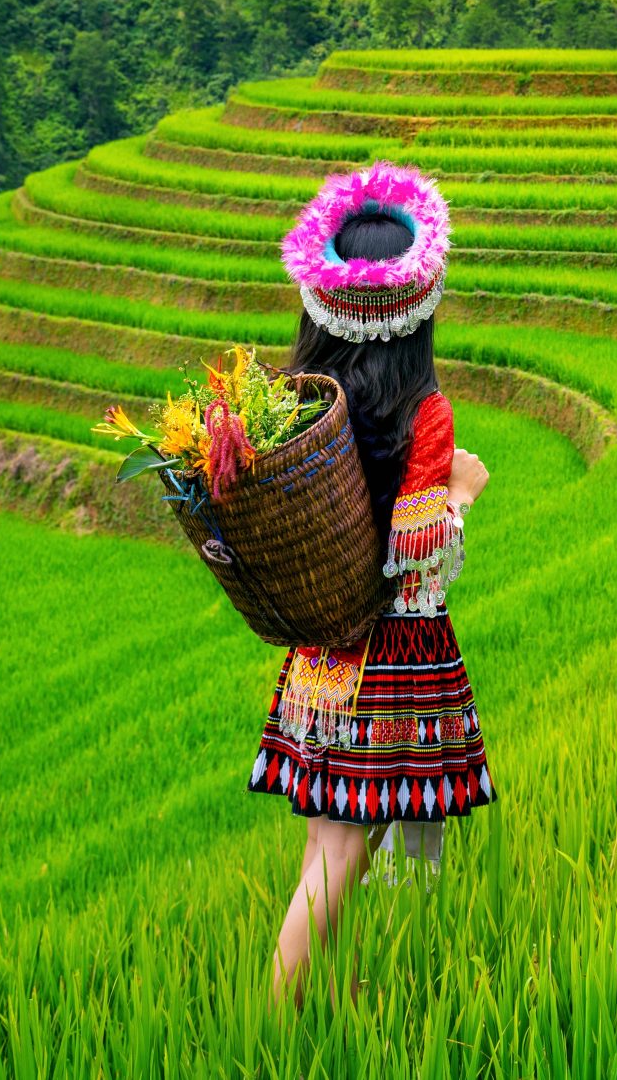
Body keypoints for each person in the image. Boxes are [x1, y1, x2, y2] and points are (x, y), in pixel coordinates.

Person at [251, 163, 494, 1003]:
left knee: (326, 844)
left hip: (322, 653)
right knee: (347, 851)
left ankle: (329, 996)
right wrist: (461, 493)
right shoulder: (424, 413)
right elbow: (418, 555)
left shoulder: (300, 404)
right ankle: (273, 1019)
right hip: (389, 659)